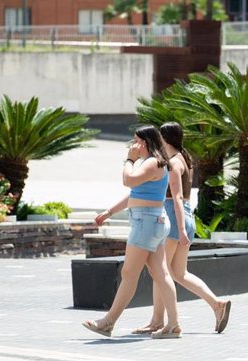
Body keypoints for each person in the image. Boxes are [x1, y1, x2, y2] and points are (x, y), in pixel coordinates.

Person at [132, 122, 231, 335]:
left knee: (161, 271)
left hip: (174, 217)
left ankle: (158, 321)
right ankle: (217, 305)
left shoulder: (173, 163)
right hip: (185, 216)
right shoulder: (184, 158)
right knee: (178, 272)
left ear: (165, 139)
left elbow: (176, 197)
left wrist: (182, 231)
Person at [83, 126, 181, 338]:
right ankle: (173, 325)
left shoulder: (152, 162)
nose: (132, 145)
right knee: (160, 274)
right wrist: (109, 212)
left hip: (146, 221)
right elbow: (135, 193)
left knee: (129, 273)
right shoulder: (149, 163)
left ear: (145, 142)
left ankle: (108, 322)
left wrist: (128, 160)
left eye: (135, 141)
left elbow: (129, 181)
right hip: (150, 219)